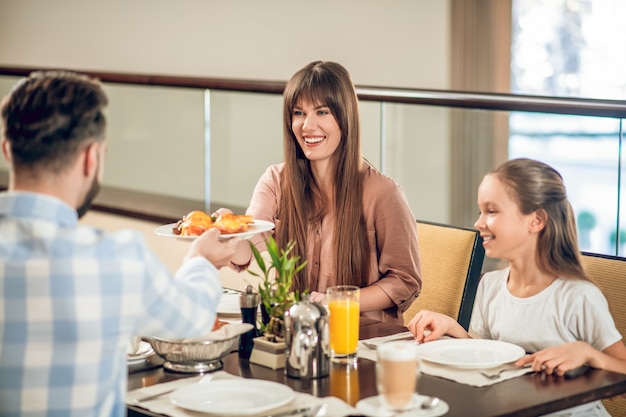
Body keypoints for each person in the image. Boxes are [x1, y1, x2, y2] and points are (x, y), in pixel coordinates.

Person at [0, 71, 238, 417]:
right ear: (91, 158)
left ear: (7, 150)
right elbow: (194, 319)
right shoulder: (116, 260)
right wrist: (200, 261)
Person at [407, 158, 626, 416]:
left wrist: (589, 354)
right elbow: (489, 358)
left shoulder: (577, 296)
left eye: (492, 211)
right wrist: (452, 327)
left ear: (536, 221)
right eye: (480, 212)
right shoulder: (490, 286)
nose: (479, 223)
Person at [223, 61, 421, 325]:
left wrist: (339, 301)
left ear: (345, 117)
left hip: (364, 340)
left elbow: (404, 281)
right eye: (299, 113)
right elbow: (247, 251)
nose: (307, 125)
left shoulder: (384, 194)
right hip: (300, 335)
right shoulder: (275, 181)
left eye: (322, 112)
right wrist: (228, 234)